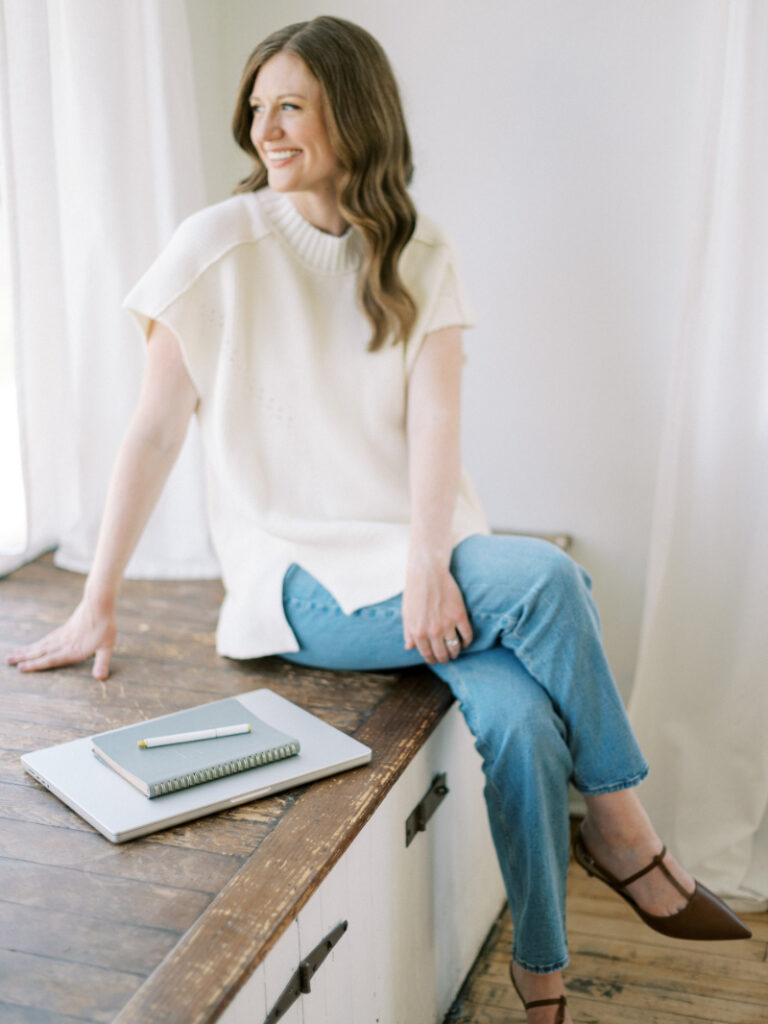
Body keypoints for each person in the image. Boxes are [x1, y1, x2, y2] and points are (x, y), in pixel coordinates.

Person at [7, 16, 750, 1023]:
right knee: (547, 581)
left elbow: (437, 430)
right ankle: (623, 830)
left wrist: (431, 562)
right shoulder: (214, 247)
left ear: (354, 117)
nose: (267, 129)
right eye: (258, 108)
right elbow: (152, 433)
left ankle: (543, 983)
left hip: (423, 560)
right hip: (299, 579)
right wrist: (99, 601)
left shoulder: (420, 250)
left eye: (292, 107)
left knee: (524, 723)